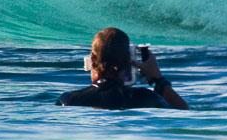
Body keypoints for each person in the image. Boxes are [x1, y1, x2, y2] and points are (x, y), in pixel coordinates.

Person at [57, 27, 189, 110]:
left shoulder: (69, 100)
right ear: (129, 60)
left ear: (92, 59)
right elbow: (183, 112)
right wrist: (159, 80)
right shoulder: (147, 98)